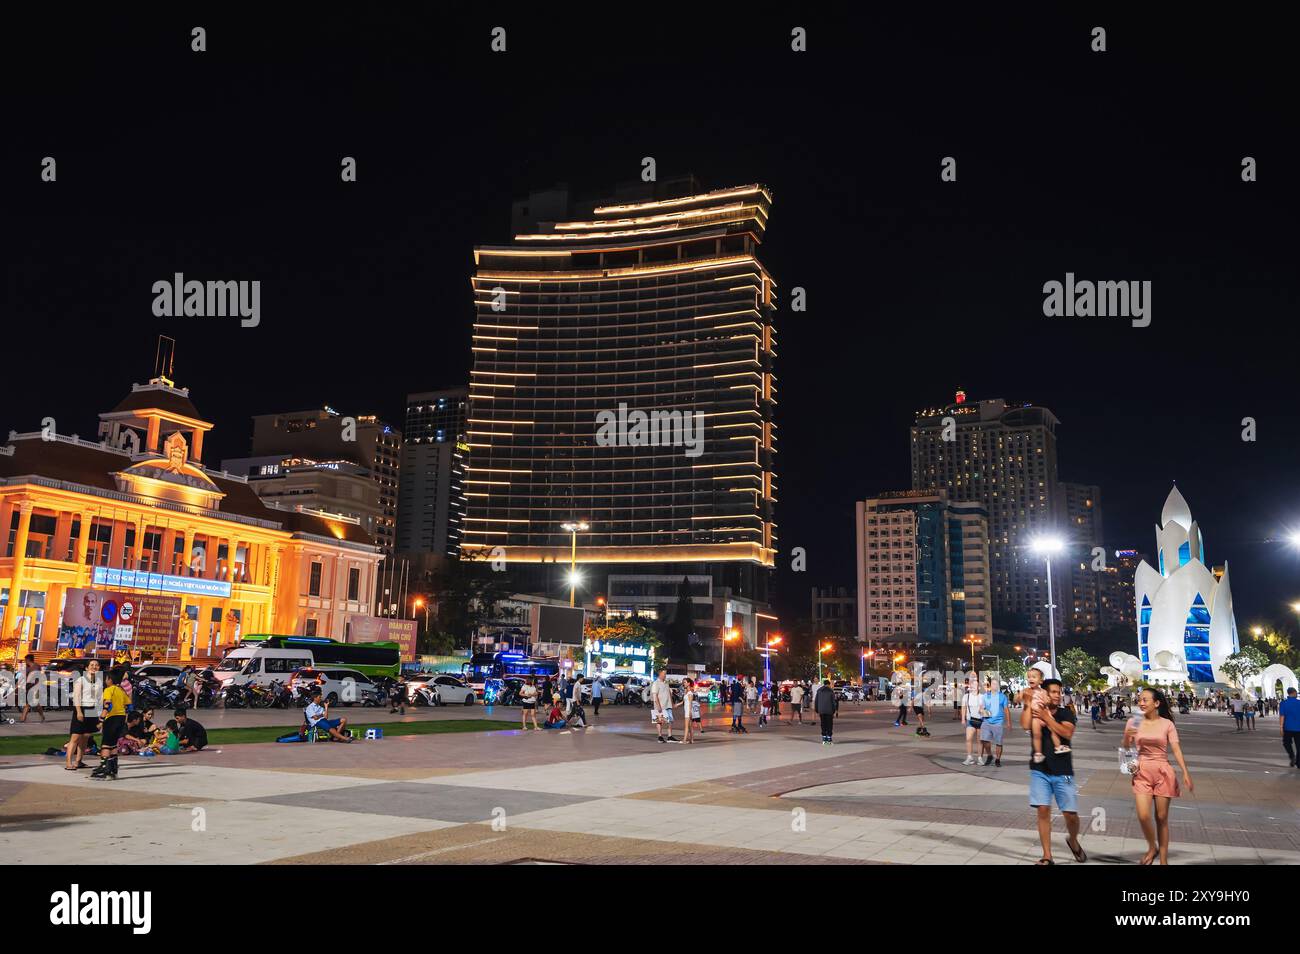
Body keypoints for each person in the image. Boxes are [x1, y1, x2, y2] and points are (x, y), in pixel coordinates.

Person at [1124, 687, 1193, 865]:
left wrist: (1185, 772)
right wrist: (1126, 738)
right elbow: (1126, 749)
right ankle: (1151, 847)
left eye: (1145, 700)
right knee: (1143, 815)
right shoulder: (1134, 721)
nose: (1141, 703)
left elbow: (1176, 749)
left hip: (1163, 772)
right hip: (1141, 771)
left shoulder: (1167, 724)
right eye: (1140, 699)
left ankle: (1163, 860)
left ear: (1156, 703)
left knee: (1161, 818)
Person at [1028, 678, 1086, 865]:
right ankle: (1047, 855)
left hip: (1063, 771)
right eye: (1053, 691)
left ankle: (1073, 840)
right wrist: (1030, 706)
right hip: (1040, 769)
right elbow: (1023, 724)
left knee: (1070, 814)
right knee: (1043, 810)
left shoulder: (1065, 713)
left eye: (1059, 692)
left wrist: (1046, 717)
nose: (1057, 695)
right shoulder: (1035, 709)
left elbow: (1066, 733)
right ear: (1044, 693)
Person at [92, 668, 131, 780]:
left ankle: (104, 768)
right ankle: (114, 769)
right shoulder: (121, 690)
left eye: (106, 678)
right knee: (113, 744)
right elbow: (129, 705)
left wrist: (101, 720)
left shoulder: (109, 690)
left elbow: (107, 706)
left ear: (110, 679)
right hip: (121, 718)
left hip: (111, 719)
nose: (105, 680)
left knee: (105, 744)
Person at [1022, 667, 1066, 763]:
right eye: (1029, 677)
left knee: (1053, 729)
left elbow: (1047, 701)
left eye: (1034, 677)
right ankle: (1038, 753)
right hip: (1035, 717)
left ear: (1041, 681)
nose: (1031, 679)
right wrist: (1019, 698)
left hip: (1045, 714)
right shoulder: (1027, 690)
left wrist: (1047, 701)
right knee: (1037, 735)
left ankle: (1058, 746)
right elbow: (1019, 698)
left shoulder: (1043, 692)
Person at [66, 659, 100, 772]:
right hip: (81, 708)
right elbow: (76, 697)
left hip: (93, 709)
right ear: (86, 668)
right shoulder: (81, 680)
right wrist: (79, 712)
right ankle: (68, 763)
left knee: (86, 737)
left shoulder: (98, 681)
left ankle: (78, 761)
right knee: (75, 737)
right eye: (91, 665)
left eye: (96, 665)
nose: (94, 667)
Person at [979, 677, 1010, 767]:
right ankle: (989, 755)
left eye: (996, 684)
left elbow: (1006, 709)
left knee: (998, 742)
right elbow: (981, 708)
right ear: (990, 685)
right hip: (987, 721)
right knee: (984, 740)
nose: (994, 686)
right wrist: (984, 712)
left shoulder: (1002, 697)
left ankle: (998, 759)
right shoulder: (985, 696)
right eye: (993, 684)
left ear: (998, 686)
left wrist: (1008, 722)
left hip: (998, 722)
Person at [650, 670, 677, 743]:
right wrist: (658, 706)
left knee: (670, 721)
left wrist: (672, 703)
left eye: (665, 674)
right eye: (663, 674)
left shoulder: (666, 683)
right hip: (660, 706)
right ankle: (660, 737)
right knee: (659, 721)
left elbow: (669, 693)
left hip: (668, 705)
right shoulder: (656, 683)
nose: (665, 675)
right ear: (660, 674)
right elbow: (655, 696)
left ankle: (669, 736)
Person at [961, 679, 982, 765]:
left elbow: (985, 708)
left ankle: (980, 758)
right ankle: (969, 757)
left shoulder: (982, 697)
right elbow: (963, 708)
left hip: (981, 720)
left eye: (975, 684)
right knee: (968, 739)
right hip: (970, 720)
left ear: (978, 687)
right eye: (972, 684)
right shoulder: (966, 696)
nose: (973, 686)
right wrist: (963, 719)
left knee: (979, 740)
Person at [19, 653, 45, 723]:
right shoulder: (27, 667)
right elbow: (23, 676)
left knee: (33, 703)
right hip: (28, 687)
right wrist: (17, 684)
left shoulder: (36, 666)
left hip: (35, 687)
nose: (25, 662)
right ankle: (23, 718)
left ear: (28, 660)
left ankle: (41, 716)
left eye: (25, 660)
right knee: (30, 703)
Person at [813, 678, 838, 744]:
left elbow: (816, 701)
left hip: (821, 710)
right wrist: (834, 710)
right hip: (829, 710)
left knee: (823, 724)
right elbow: (833, 702)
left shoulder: (819, 691)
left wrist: (817, 709)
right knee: (829, 724)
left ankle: (824, 738)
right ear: (828, 684)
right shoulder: (831, 691)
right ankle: (829, 739)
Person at [1281, 687, 1300, 768]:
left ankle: (1292, 756)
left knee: (1286, 743)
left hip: (1287, 727)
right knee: (1299, 746)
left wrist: (1281, 727)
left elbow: (1282, 716)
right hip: (1298, 728)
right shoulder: (1299, 703)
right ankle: (1298, 762)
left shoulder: (1283, 703)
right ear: (1294, 692)